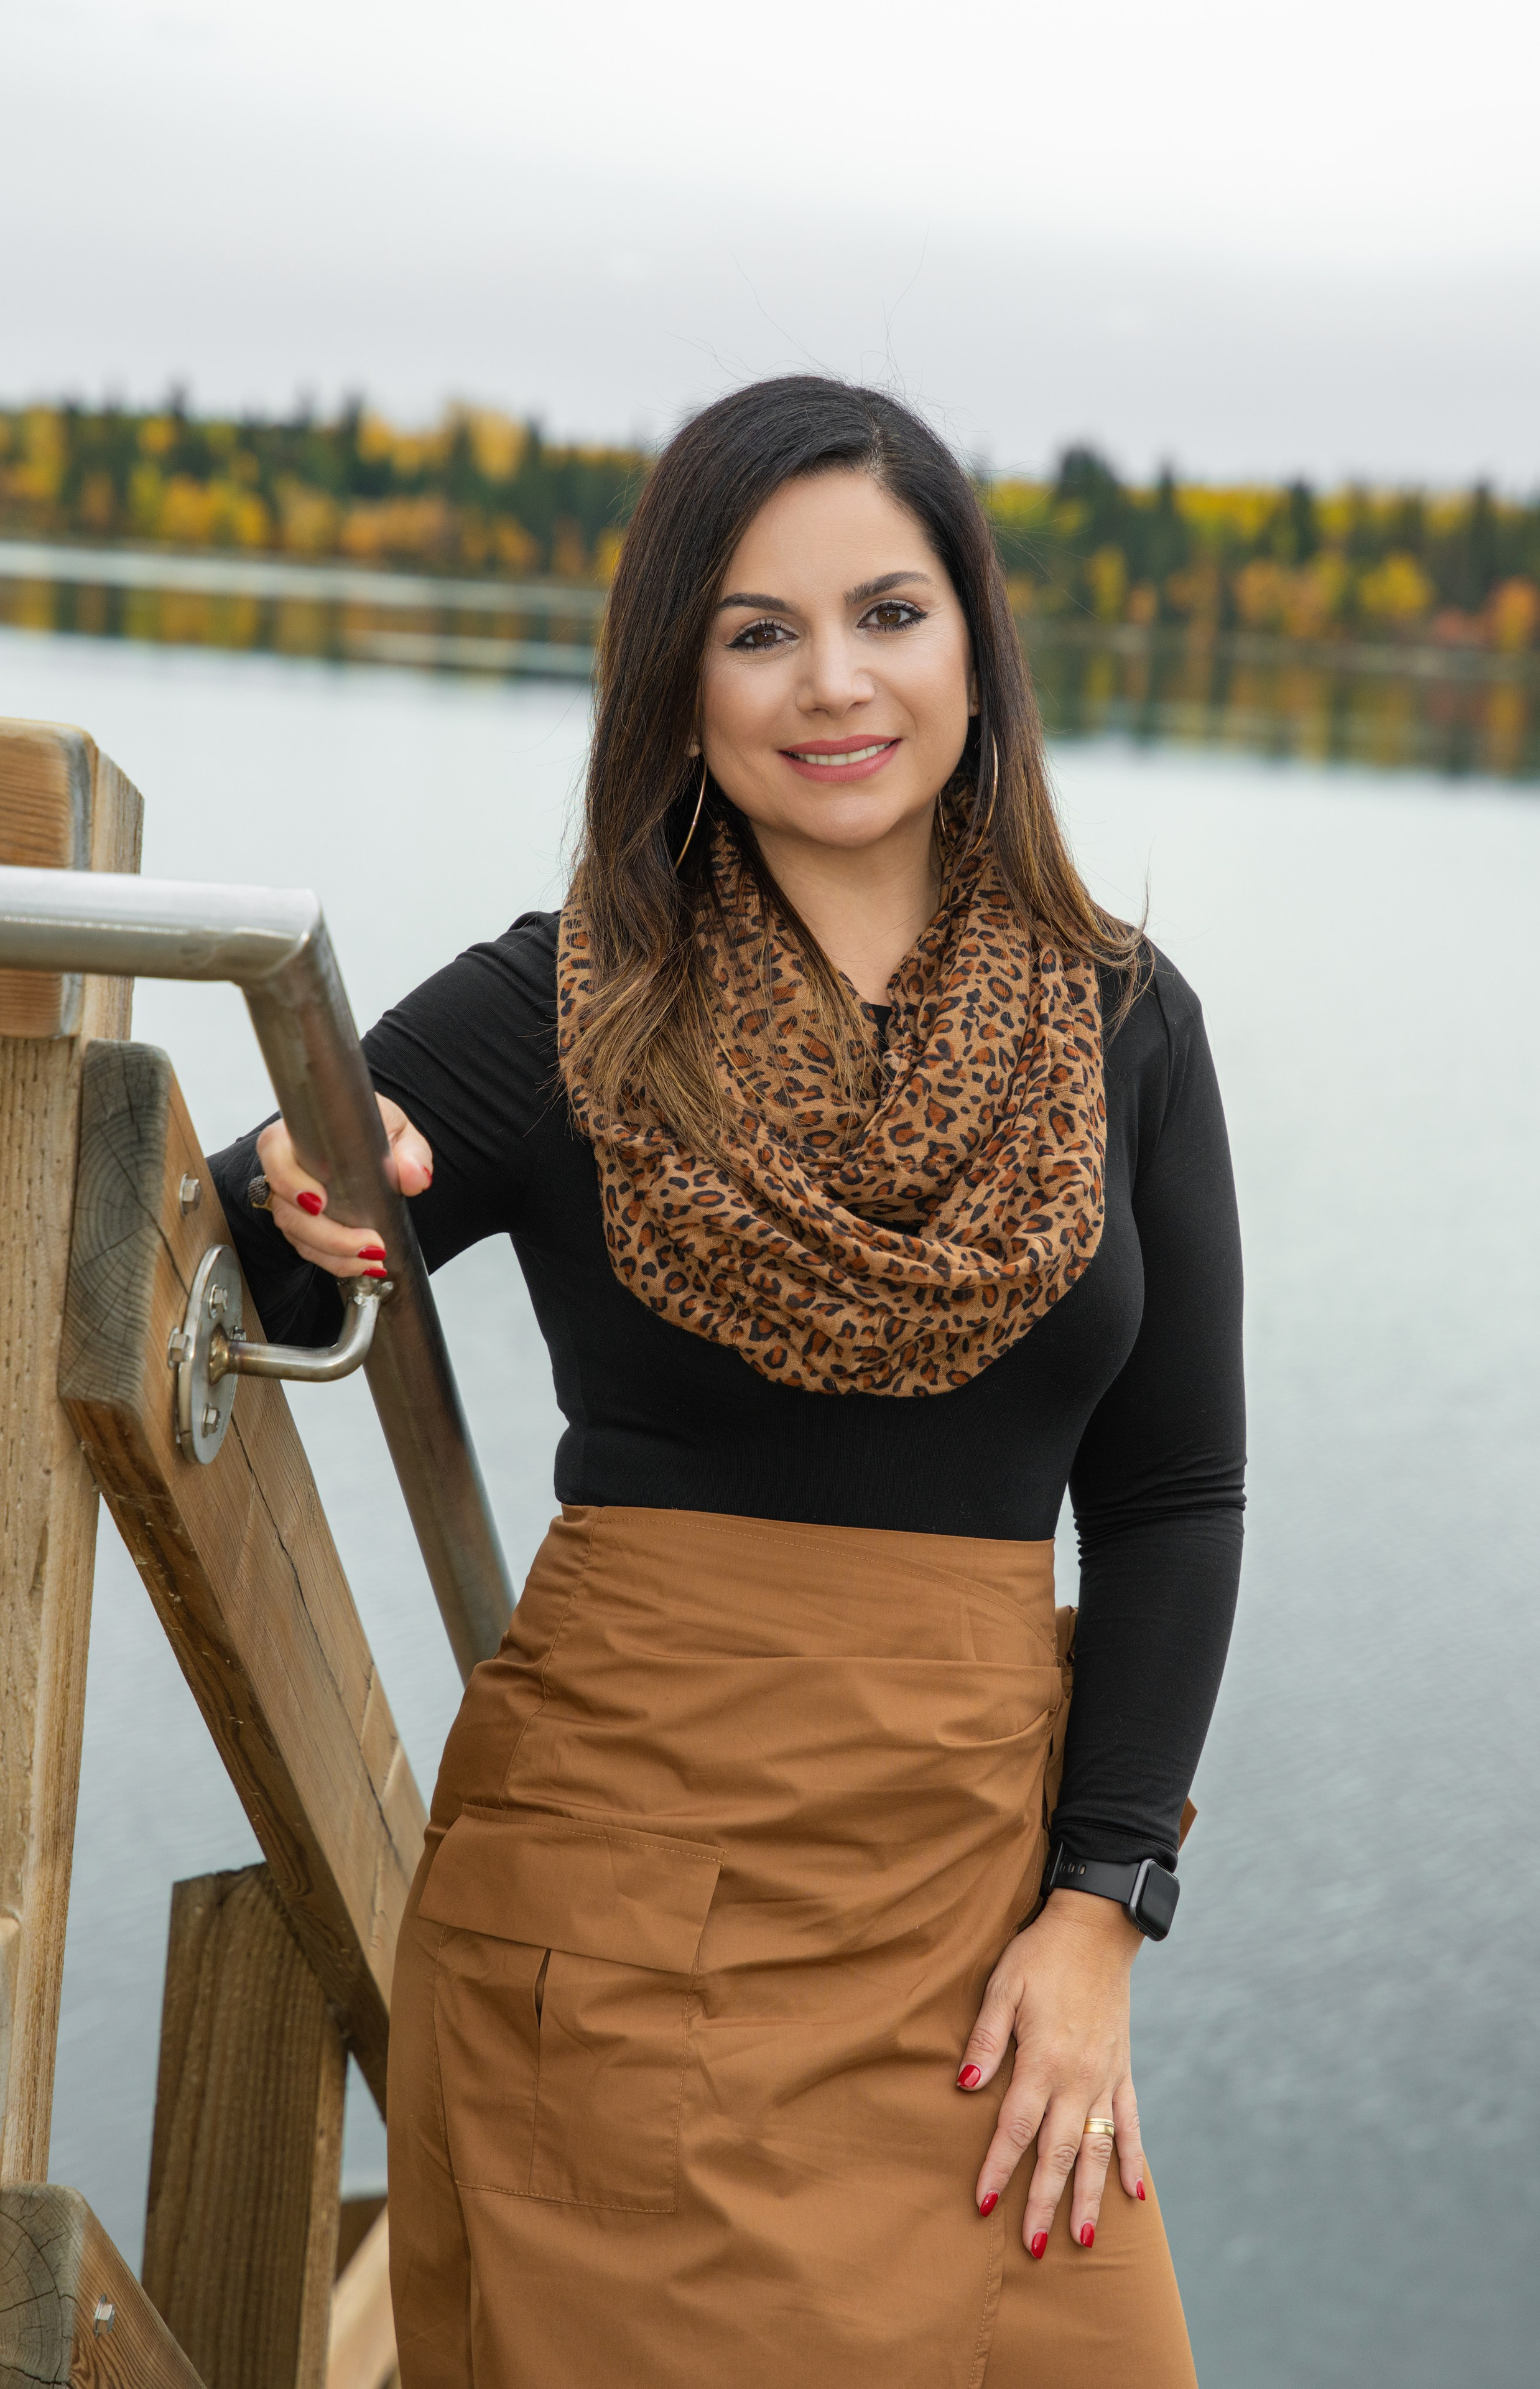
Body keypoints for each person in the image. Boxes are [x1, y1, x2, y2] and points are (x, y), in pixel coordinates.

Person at [210, 376, 1244, 2387]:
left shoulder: (1129, 1022)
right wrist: (288, 1196)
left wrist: (1104, 1906)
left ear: (976, 652)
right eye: (755, 632)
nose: (830, 682)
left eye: (888, 613)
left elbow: (1174, 1495)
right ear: (675, 687)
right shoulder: (564, 1000)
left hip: (978, 1902)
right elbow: (281, 1233)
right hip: (631, 1899)